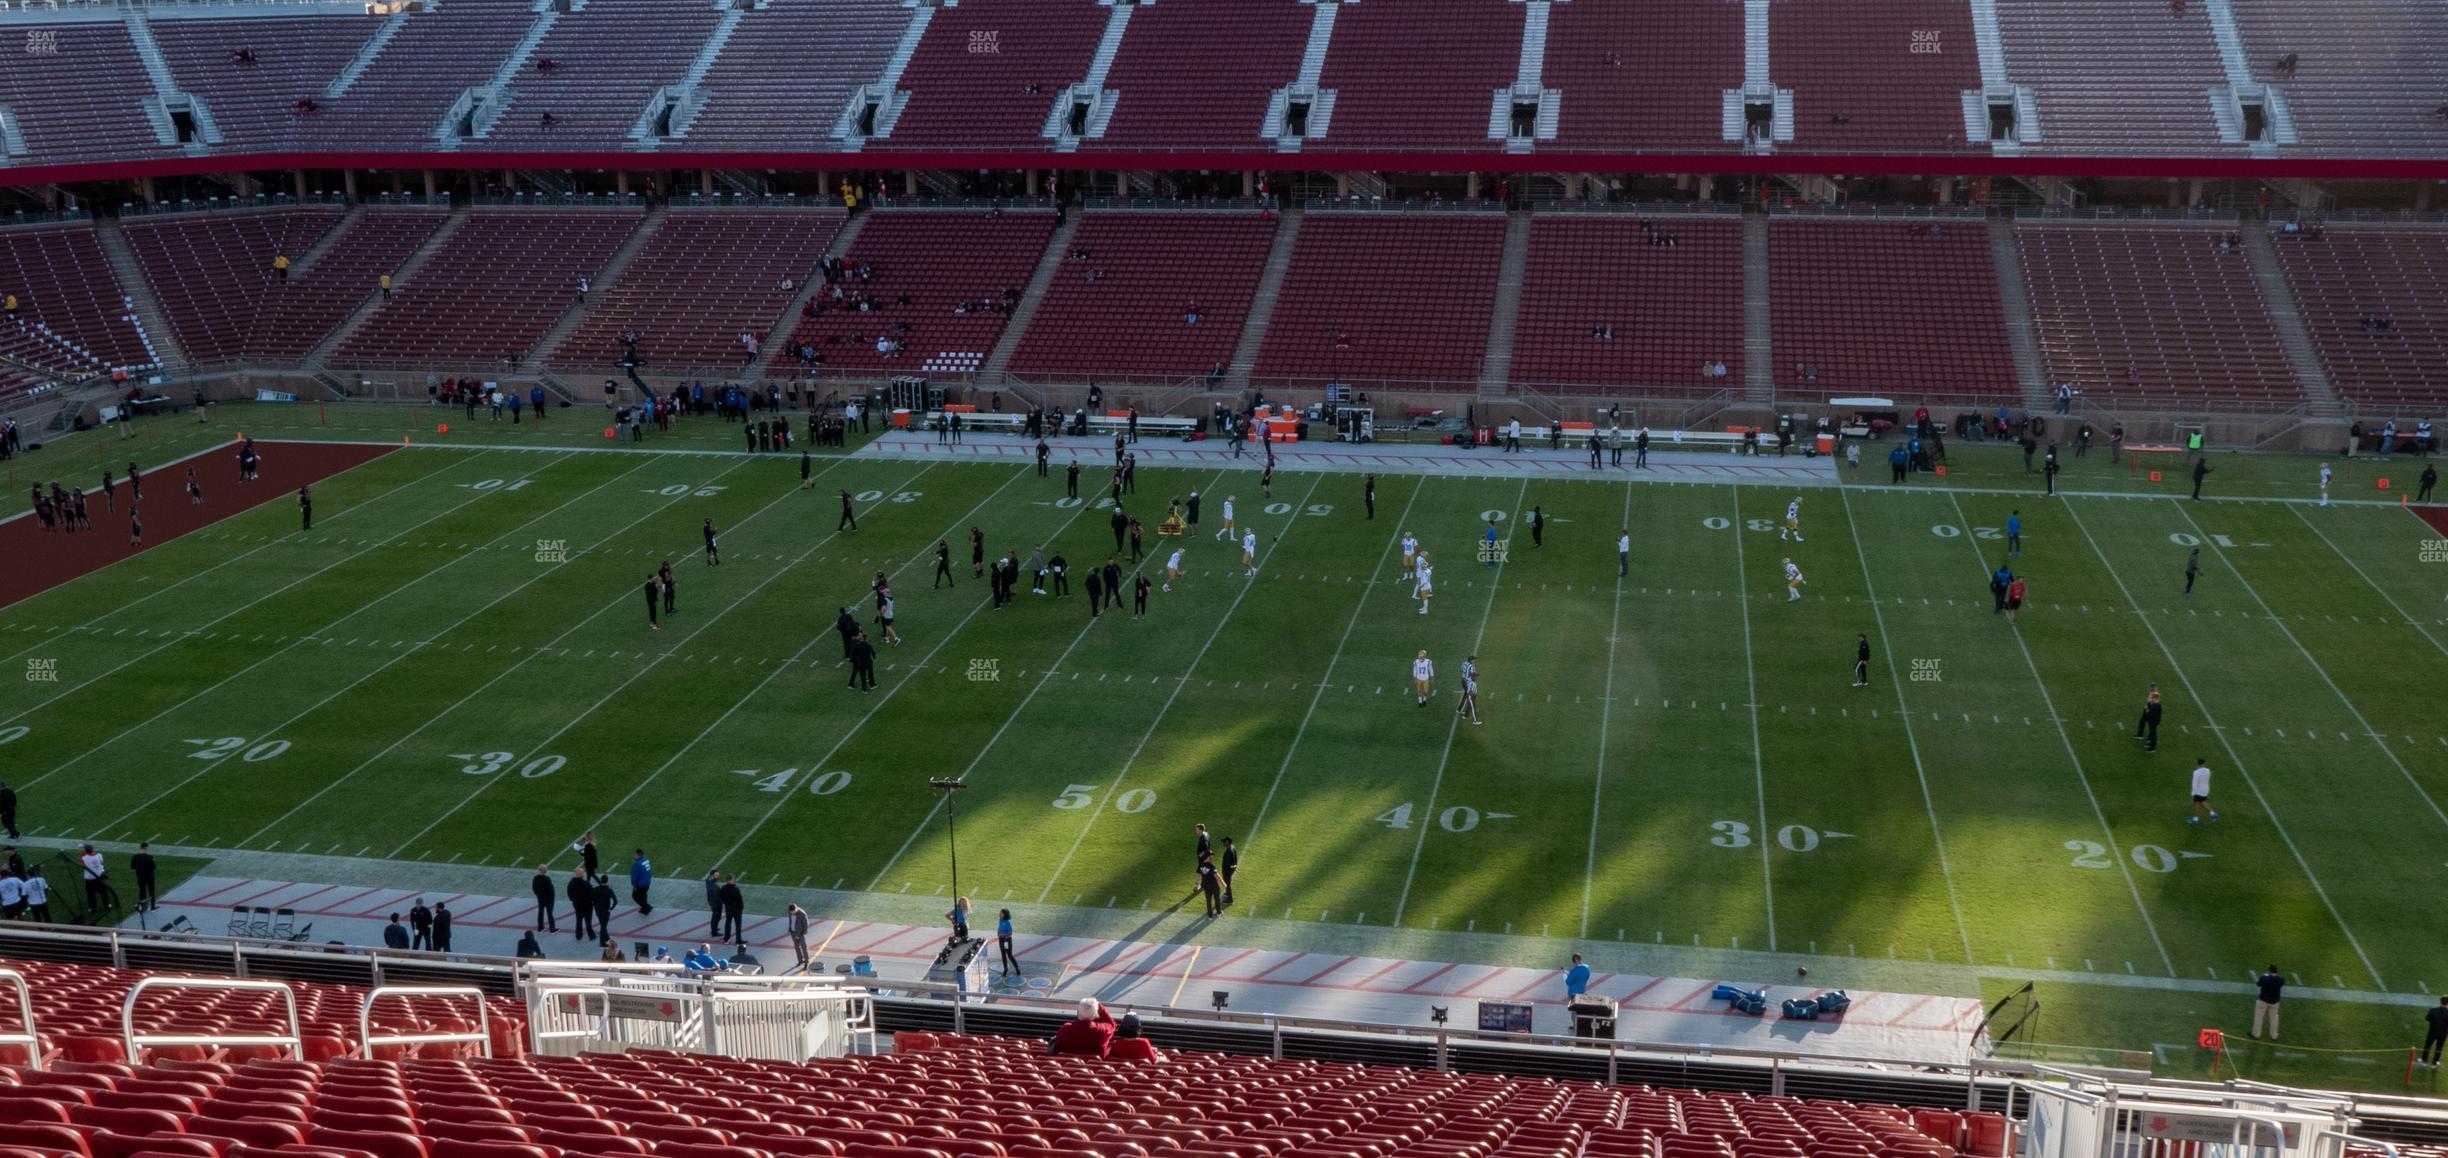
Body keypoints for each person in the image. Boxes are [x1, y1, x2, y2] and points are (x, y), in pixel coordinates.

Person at [1052, 998, 1117, 1057]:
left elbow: (1056, 1048)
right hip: (1094, 1068)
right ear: (1094, 1015)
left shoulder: (1065, 1029)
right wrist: (1099, 1006)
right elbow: (1112, 1024)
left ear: (1077, 1012)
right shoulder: (1102, 1030)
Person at [2252, 965, 2284, 1040]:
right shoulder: (2281, 980)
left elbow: (2258, 984)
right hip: (2274, 1002)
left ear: (2269, 971)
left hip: (2263, 1000)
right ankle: (2274, 1036)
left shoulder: (2264, 978)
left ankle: (2256, 1034)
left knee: (2258, 1018)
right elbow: (2280, 982)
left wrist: (2264, 976)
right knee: (2274, 1019)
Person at [77, 844, 106, 916]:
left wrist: (81, 853)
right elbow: (101, 861)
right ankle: (106, 905)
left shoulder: (84, 858)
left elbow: (80, 863)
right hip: (99, 877)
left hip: (90, 880)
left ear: (86, 851)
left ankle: (93, 909)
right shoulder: (99, 855)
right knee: (103, 892)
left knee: (91, 895)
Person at [2189, 758, 2218, 825]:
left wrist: (2193, 792)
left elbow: (2194, 783)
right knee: (2203, 801)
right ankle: (2213, 814)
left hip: (2199, 790)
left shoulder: (2196, 772)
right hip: (2206, 789)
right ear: (2204, 763)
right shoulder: (2208, 770)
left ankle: (2195, 819)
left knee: (2196, 804)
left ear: (2197, 764)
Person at [568, 869, 595, 942]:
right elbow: (592, 893)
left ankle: (578, 935)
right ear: (582, 874)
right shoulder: (585, 883)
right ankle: (591, 935)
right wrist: (591, 901)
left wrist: (574, 900)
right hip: (587, 905)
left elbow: (569, 894)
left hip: (577, 904)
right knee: (588, 921)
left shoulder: (571, 883)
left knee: (579, 920)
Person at [532, 863, 559, 932]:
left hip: (540, 898)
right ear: (545, 871)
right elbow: (551, 890)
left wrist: (538, 895)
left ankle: (540, 928)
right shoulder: (547, 879)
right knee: (550, 913)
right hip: (548, 899)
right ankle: (552, 929)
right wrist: (552, 898)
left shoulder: (535, 878)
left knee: (540, 912)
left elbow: (534, 888)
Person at [2136, 683, 2162, 751]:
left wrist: (2147, 710)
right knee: (2144, 723)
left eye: (2151, 688)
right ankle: (2147, 739)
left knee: (2153, 732)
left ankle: (2152, 747)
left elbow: (2154, 713)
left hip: (2153, 719)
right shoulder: (2154, 697)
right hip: (2152, 715)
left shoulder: (2156, 702)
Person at [2423, 997, 2448, 1067]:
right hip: (2443, 1034)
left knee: (2427, 1046)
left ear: (2441, 1002)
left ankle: (2424, 1060)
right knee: (2439, 1048)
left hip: (2432, 1032)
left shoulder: (2433, 1010)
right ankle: (2435, 1062)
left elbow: (2427, 1018)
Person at [629, 849, 655, 916]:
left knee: (635, 896)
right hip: (647, 882)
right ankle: (644, 909)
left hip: (641, 884)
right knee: (643, 895)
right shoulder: (646, 861)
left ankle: (647, 907)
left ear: (638, 855)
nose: (634, 856)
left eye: (635, 854)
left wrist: (634, 885)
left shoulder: (637, 864)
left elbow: (634, 876)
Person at [1456, 655, 1481, 725]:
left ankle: (1460, 710)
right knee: (1470, 698)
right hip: (1468, 682)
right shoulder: (1471, 667)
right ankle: (1468, 715)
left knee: (1465, 695)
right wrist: (1472, 678)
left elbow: (1462, 670)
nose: (1475, 661)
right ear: (1471, 660)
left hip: (1463, 680)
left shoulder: (1464, 663)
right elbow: (1472, 674)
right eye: (1474, 660)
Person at [997, 908, 1019, 975]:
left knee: (1009, 955)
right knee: (1003, 955)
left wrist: (1002, 934)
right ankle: (1005, 969)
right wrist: (998, 933)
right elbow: (999, 927)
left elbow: (1010, 933)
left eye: (1001, 913)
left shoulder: (1008, 922)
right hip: (1001, 940)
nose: (1000, 914)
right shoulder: (1000, 920)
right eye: (1000, 912)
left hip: (1007, 940)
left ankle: (1017, 968)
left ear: (1005, 914)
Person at [1219, 838, 1238, 906]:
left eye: (1224, 842)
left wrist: (1229, 869)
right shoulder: (1232, 847)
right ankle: (1227, 893)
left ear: (1227, 842)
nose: (1223, 843)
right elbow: (1235, 859)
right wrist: (1235, 866)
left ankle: (1230, 900)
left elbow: (1228, 864)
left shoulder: (1228, 852)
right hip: (1230, 870)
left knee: (1227, 885)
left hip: (1227, 871)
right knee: (1227, 883)